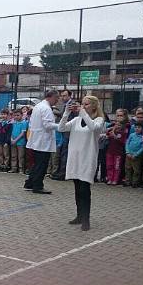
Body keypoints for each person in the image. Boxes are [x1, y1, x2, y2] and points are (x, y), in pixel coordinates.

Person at [58, 96, 106, 231]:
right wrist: (66, 113)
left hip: (87, 158)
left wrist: (82, 112)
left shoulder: (99, 120)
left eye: (86, 104)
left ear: (94, 106)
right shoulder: (76, 120)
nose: (83, 106)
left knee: (85, 189)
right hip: (75, 158)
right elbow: (61, 128)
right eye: (82, 104)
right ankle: (79, 216)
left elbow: (93, 127)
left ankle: (86, 219)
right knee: (77, 189)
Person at [24, 90, 60, 194]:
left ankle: (30, 182)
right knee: (42, 164)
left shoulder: (38, 106)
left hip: (36, 139)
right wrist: (61, 126)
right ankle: (38, 186)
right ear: (51, 97)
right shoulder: (46, 108)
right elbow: (48, 125)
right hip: (43, 141)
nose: (57, 100)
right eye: (56, 98)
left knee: (36, 164)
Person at [51, 89, 77, 180]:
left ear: (70, 96)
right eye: (62, 95)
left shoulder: (72, 105)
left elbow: (72, 118)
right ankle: (60, 172)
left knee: (65, 153)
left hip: (69, 132)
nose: (62, 97)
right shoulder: (64, 105)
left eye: (65, 95)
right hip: (64, 131)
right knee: (62, 152)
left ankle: (63, 173)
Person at [124, 123, 143, 188]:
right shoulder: (131, 135)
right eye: (136, 127)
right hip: (128, 155)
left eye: (139, 127)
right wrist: (127, 152)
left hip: (137, 156)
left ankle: (135, 182)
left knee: (136, 170)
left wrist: (136, 154)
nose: (137, 129)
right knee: (128, 168)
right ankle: (127, 181)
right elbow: (127, 143)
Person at [105, 120, 126, 186]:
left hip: (118, 153)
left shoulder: (122, 133)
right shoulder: (111, 132)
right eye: (116, 125)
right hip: (110, 152)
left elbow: (121, 141)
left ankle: (115, 179)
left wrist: (113, 132)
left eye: (119, 125)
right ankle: (110, 178)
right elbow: (106, 134)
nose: (117, 126)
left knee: (116, 167)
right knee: (109, 165)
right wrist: (110, 129)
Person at [9, 109, 28, 174]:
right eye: (15, 115)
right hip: (13, 141)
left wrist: (15, 140)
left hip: (20, 142)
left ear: (22, 115)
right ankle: (14, 168)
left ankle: (21, 169)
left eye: (18, 115)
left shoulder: (24, 123)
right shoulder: (13, 123)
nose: (16, 117)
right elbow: (10, 132)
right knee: (13, 155)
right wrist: (11, 139)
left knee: (21, 156)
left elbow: (23, 133)